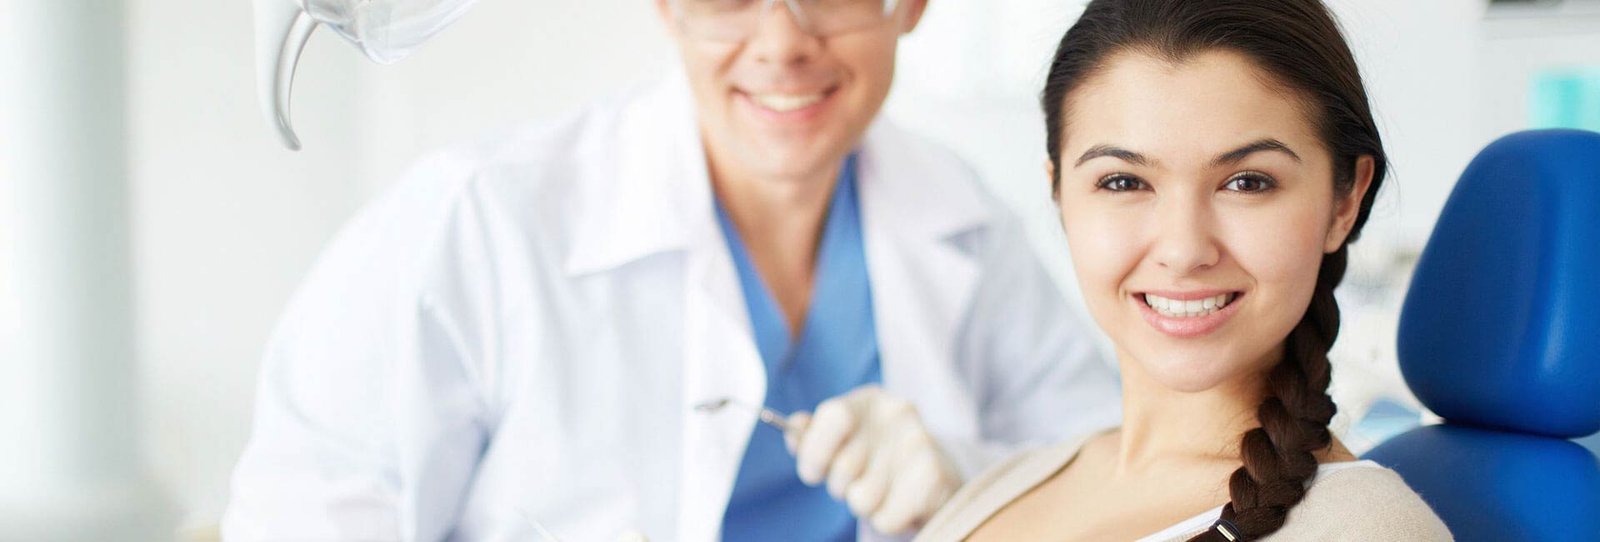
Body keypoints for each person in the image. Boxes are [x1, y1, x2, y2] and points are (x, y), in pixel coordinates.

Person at [223, 0, 1121, 540]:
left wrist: (969, 479)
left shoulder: (963, 220)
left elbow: (1123, 481)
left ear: (915, 2)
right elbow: (304, 516)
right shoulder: (475, 222)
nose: (781, 41)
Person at [914, 0, 1452, 540]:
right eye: (1123, 182)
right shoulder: (1002, 486)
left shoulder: (1365, 529)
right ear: (1059, 193)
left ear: (1345, 201)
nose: (1183, 249)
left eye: (1247, 182)